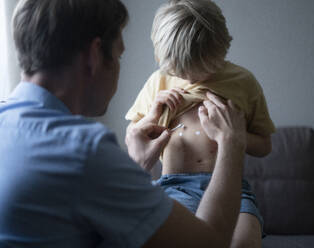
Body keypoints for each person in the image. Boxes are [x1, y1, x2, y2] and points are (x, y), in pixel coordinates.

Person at [0, 0, 254, 247]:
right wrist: (231, 143)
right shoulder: (85, 151)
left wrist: (137, 166)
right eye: (120, 55)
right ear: (95, 55)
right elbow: (208, 243)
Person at [125, 0, 276, 247]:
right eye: (181, 72)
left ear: (221, 51)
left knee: (243, 243)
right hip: (175, 187)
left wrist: (234, 134)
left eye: (202, 69)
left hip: (233, 189)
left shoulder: (243, 82)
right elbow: (134, 138)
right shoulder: (159, 82)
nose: (191, 79)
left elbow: (265, 146)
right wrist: (152, 116)